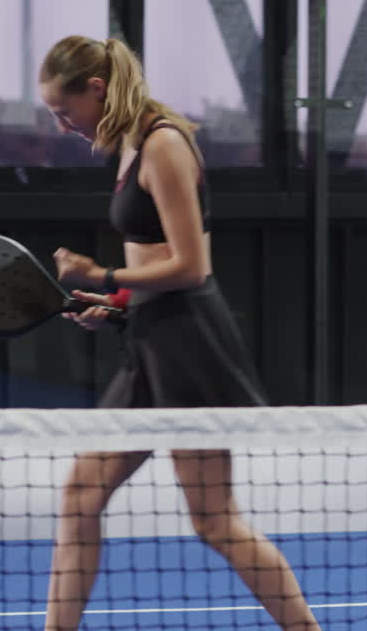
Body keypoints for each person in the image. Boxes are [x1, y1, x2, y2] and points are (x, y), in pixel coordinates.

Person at [40, 35, 323, 631]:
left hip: (189, 346)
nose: (62, 126)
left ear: (97, 90)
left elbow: (193, 267)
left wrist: (103, 273)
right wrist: (113, 300)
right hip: (148, 339)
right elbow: (153, 261)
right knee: (80, 497)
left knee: (215, 520)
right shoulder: (128, 144)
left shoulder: (165, 144)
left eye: (65, 112)